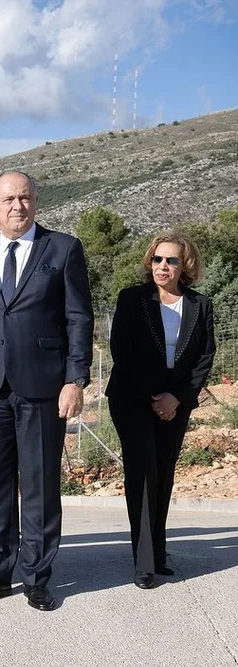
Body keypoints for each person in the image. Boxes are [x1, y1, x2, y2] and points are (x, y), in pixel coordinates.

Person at [0, 171, 93, 612]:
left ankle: (36, 576)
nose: (18, 205)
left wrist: (75, 379)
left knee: (40, 485)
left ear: (37, 201)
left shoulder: (63, 248)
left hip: (44, 387)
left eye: (26, 197)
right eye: (9, 199)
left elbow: (78, 318)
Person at [106, 233, 216, 589]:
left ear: (186, 266)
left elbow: (204, 357)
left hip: (175, 403)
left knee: (164, 474)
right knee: (143, 473)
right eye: (157, 259)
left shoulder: (200, 305)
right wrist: (157, 397)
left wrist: (177, 398)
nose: (163, 267)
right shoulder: (132, 299)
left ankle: (157, 552)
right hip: (132, 399)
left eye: (171, 261)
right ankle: (144, 563)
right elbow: (123, 352)